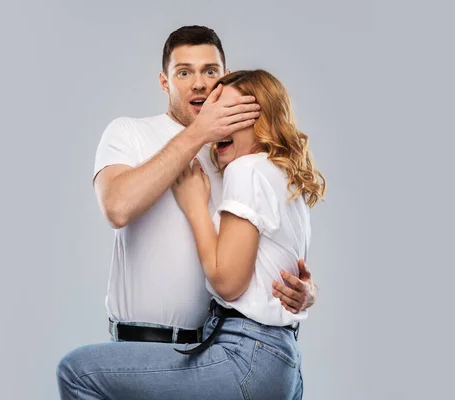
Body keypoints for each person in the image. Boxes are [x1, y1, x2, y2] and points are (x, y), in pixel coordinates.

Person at [57, 26, 318, 399]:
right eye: (184, 72)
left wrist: (305, 291)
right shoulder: (129, 133)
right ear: (165, 82)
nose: (198, 83)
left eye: (210, 72)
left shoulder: (233, 158)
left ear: (223, 79)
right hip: (142, 347)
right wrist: (197, 134)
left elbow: (263, 253)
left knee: (76, 372)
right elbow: (116, 207)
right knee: (80, 372)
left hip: (211, 350)